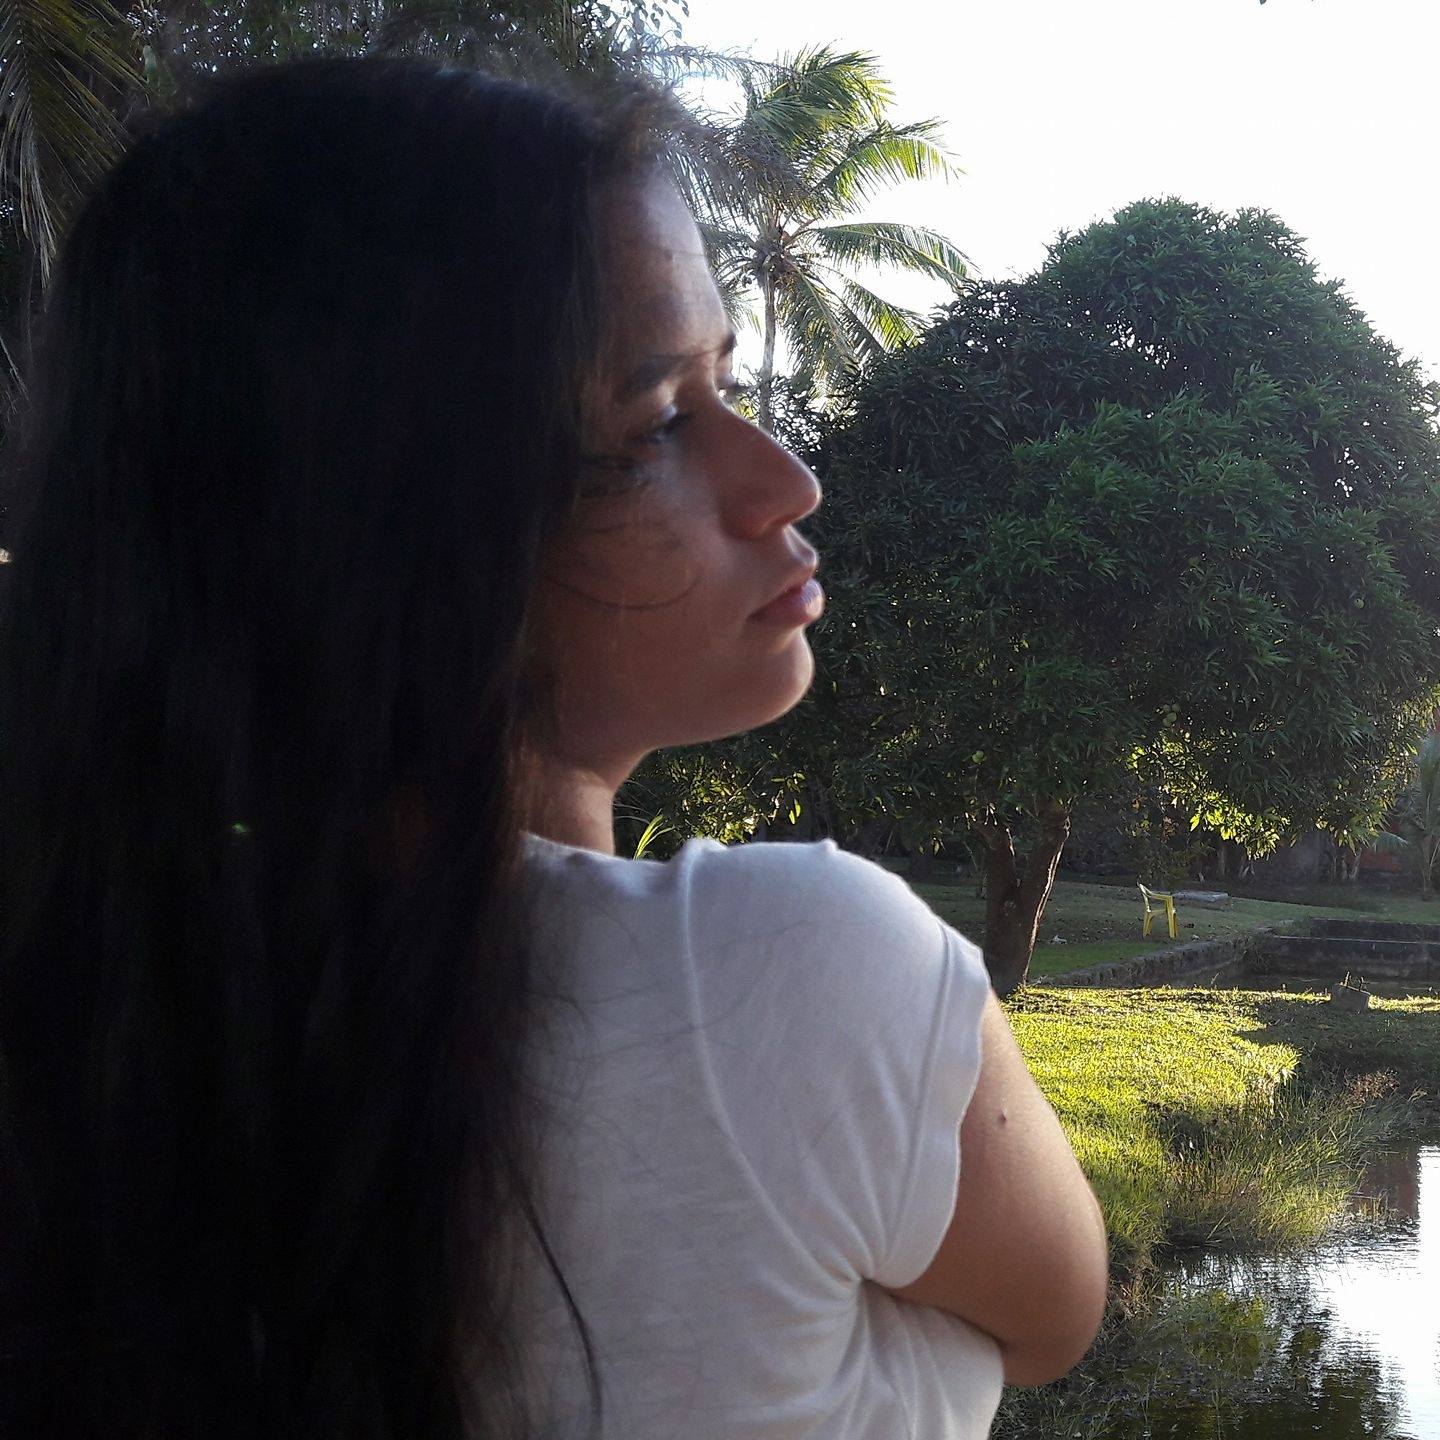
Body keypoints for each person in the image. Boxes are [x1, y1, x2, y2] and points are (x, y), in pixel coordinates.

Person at [0, 57, 1107, 1440]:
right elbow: (1059, 1314)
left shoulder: (100, 1023)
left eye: (728, 382)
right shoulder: (789, 972)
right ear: (397, 529)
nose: (785, 481)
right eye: (659, 424)